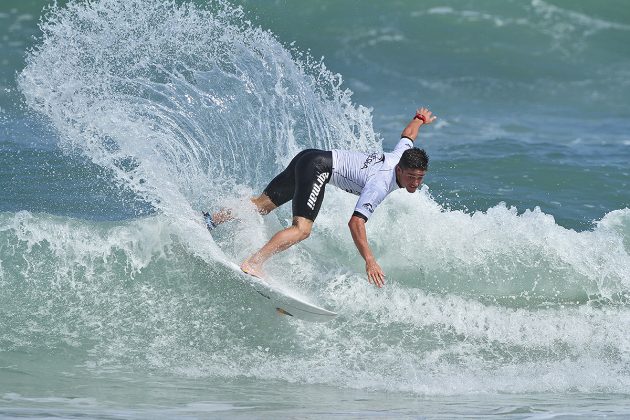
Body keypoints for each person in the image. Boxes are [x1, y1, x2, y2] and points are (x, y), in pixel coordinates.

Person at [205, 107, 436, 287]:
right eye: (411, 177)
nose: (415, 183)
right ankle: (253, 263)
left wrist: (419, 118)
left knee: (262, 206)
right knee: (302, 230)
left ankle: (211, 220)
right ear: (399, 170)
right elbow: (356, 222)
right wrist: (369, 260)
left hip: (309, 157)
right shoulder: (380, 184)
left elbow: (408, 135)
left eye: (420, 177)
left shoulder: (402, 155)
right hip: (317, 168)